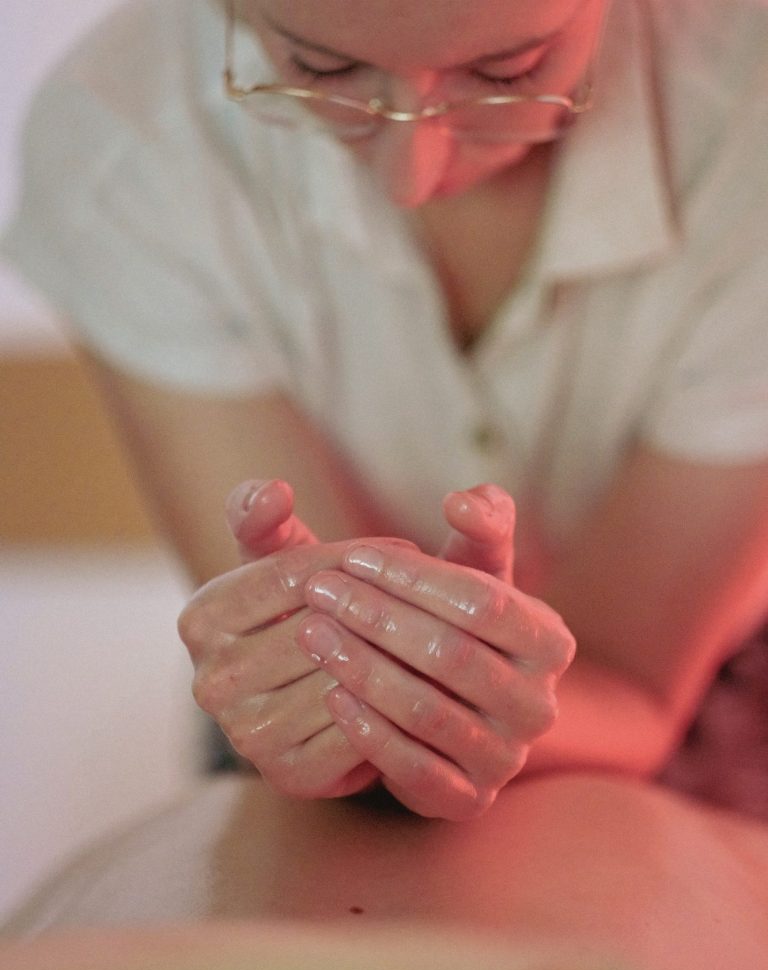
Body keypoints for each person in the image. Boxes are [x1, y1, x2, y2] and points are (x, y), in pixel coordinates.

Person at [3, 0, 768, 819]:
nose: (412, 176)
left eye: (509, 71)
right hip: (318, 716)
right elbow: (302, 656)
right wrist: (331, 683)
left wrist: (421, 689)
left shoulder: (746, 125)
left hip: (715, 686)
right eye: (320, 69)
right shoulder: (127, 141)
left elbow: (635, 680)